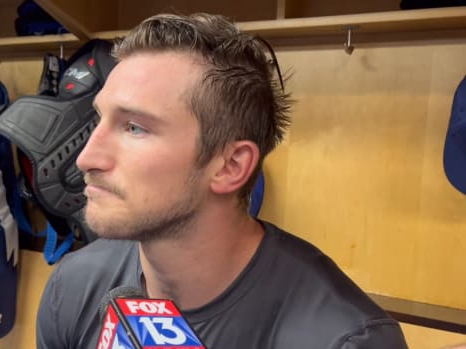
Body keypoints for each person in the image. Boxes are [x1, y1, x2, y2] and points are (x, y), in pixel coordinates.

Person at [36, 12, 409, 349]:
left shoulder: (341, 339)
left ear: (230, 165)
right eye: (98, 120)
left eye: (134, 128)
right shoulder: (73, 287)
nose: (86, 159)